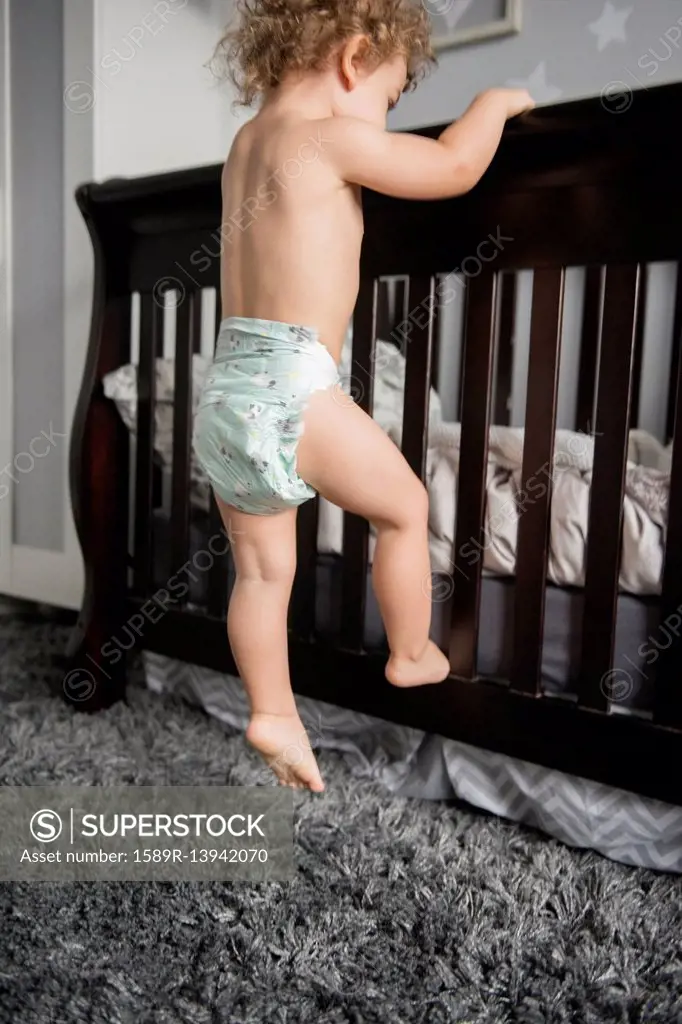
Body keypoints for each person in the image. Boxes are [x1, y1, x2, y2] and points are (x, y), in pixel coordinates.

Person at [193, 0, 535, 793]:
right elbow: (453, 168)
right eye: (389, 97)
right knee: (404, 508)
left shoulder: (244, 146)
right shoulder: (333, 138)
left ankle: (272, 710)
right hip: (295, 385)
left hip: (228, 394)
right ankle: (412, 653)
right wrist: (494, 105)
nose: (382, 119)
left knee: (260, 575)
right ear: (353, 61)